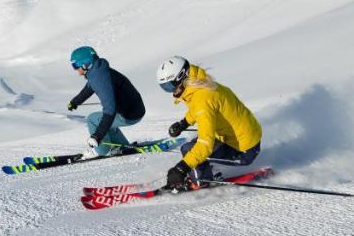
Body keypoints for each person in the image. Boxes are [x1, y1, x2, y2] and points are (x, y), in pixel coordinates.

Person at [156, 56, 262, 189]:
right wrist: (184, 123)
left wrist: (181, 168)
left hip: (244, 150)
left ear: (181, 77)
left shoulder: (202, 99)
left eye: (169, 86)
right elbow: (201, 110)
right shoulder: (201, 85)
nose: (170, 91)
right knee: (194, 146)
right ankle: (203, 171)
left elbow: (205, 143)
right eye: (164, 87)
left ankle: (201, 181)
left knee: (188, 149)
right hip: (245, 136)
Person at [66, 46, 147, 157]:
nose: (75, 69)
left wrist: (97, 136)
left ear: (85, 64)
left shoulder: (98, 77)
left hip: (129, 114)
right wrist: (75, 101)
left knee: (92, 119)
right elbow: (89, 88)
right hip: (135, 108)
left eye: (75, 65)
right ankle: (121, 145)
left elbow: (110, 110)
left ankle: (102, 151)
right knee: (102, 120)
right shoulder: (98, 70)